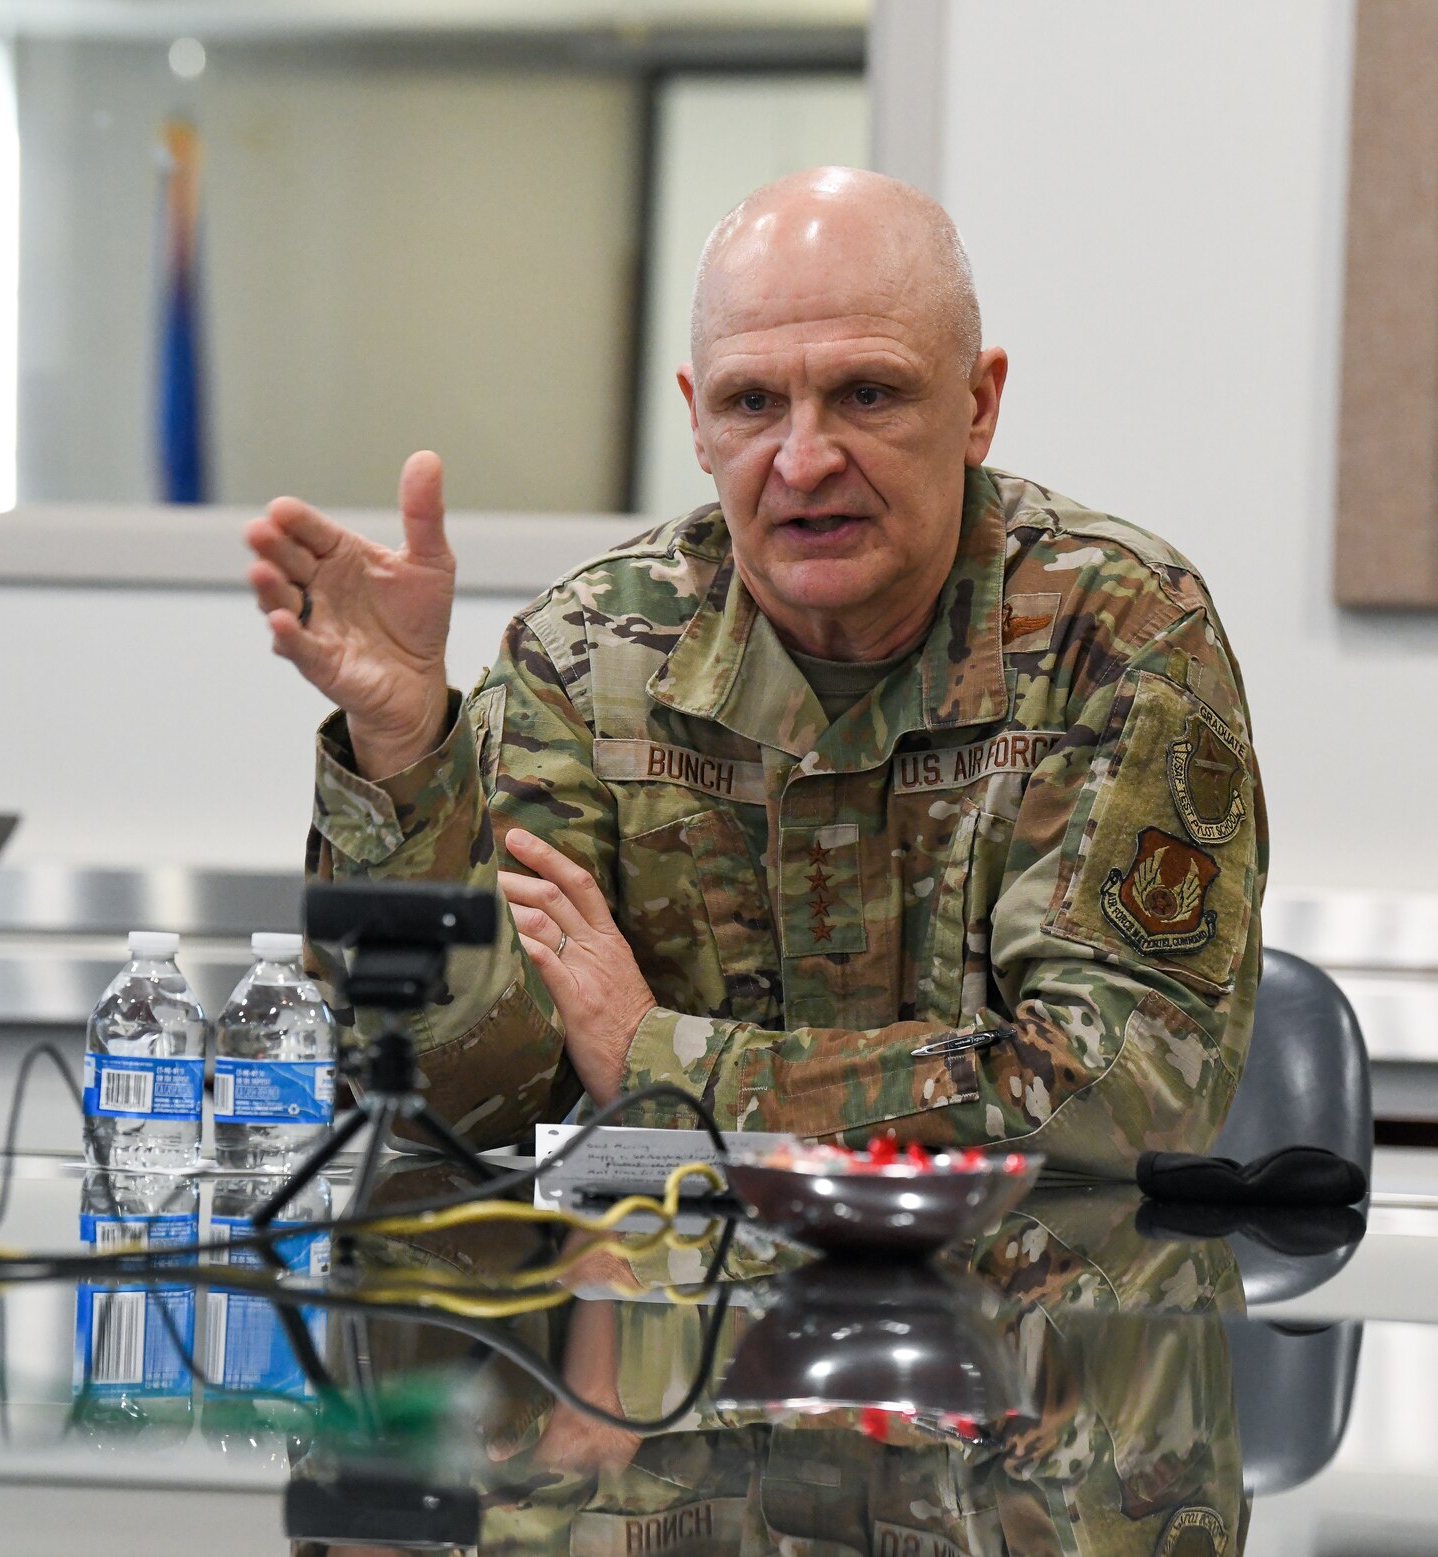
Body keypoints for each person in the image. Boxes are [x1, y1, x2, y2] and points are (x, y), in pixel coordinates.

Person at [244, 167, 1266, 1176]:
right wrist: (404, 745)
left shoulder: (1116, 626)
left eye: (866, 394)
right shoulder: (587, 651)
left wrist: (656, 1058)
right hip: (665, 1317)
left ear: (977, 405)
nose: (803, 458)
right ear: (695, 420)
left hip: (1028, 1319)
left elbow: (1118, 1095)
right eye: (750, 403)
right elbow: (460, 1103)